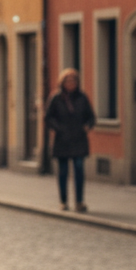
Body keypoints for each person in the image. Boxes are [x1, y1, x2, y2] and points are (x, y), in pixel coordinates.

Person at [44, 67, 95, 213]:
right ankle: (63, 201)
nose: (71, 83)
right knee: (63, 171)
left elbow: (91, 117)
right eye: (68, 80)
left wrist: (87, 126)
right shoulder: (56, 98)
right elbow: (48, 117)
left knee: (79, 169)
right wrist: (58, 129)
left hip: (79, 139)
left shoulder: (82, 98)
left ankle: (79, 201)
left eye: (73, 80)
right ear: (63, 82)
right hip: (62, 140)